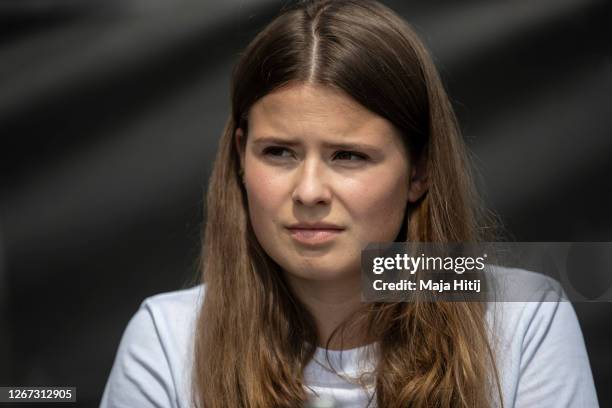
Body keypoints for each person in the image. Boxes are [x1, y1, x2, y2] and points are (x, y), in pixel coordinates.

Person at [100, 0, 599, 407]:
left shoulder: (523, 317)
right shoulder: (169, 337)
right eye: (278, 152)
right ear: (239, 158)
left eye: (348, 156)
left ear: (419, 171)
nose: (310, 191)